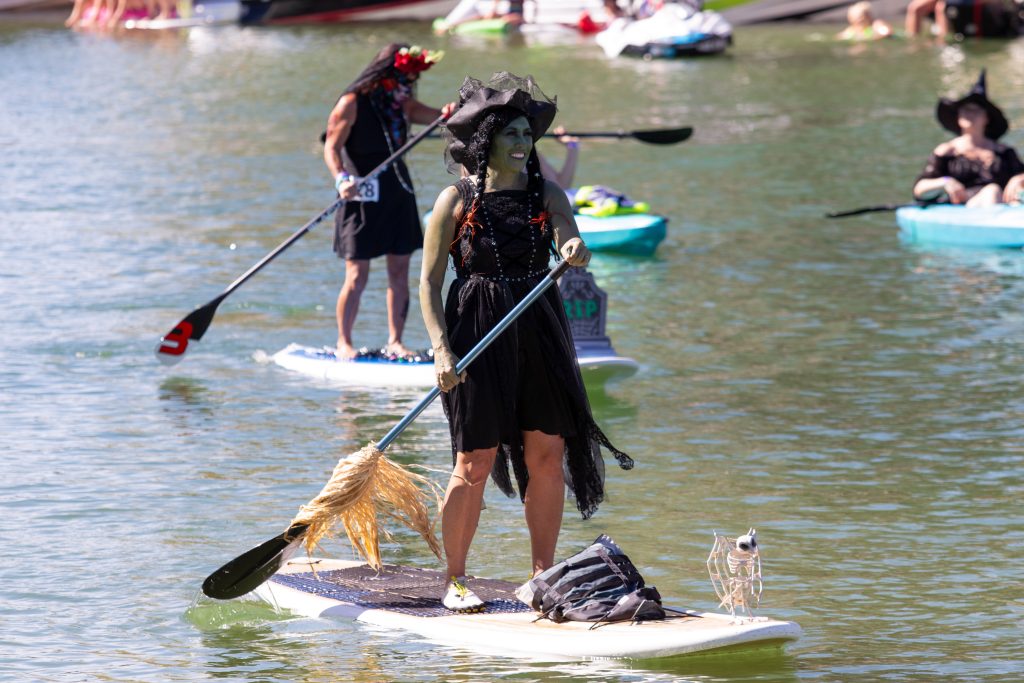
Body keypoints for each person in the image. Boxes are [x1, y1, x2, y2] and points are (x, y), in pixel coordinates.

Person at [419, 73, 634, 612]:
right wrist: (441, 351)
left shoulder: (547, 193)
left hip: (538, 328)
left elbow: (567, 234)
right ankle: (456, 579)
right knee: (475, 459)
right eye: (510, 135)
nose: (521, 144)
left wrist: (574, 246)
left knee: (548, 452)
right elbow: (426, 283)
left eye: (526, 135)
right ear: (486, 141)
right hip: (476, 330)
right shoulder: (455, 200)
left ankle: (541, 576)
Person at [324, 44, 451, 360]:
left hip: (397, 191)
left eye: (410, 79)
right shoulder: (351, 103)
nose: (406, 86)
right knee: (357, 275)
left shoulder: (402, 104)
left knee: (399, 269)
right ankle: (344, 342)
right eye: (402, 78)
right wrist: (341, 179)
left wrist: (452, 113)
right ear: (385, 74)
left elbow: (440, 118)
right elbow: (331, 147)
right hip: (360, 191)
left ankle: (396, 341)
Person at [913, 71, 1024, 207]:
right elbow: (919, 189)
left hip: (1004, 208)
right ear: (958, 117)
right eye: (965, 110)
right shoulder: (948, 152)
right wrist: (945, 182)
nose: (969, 114)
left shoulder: (1004, 152)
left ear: (986, 118)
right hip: (964, 210)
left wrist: (1019, 179)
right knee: (992, 191)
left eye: (976, 110)